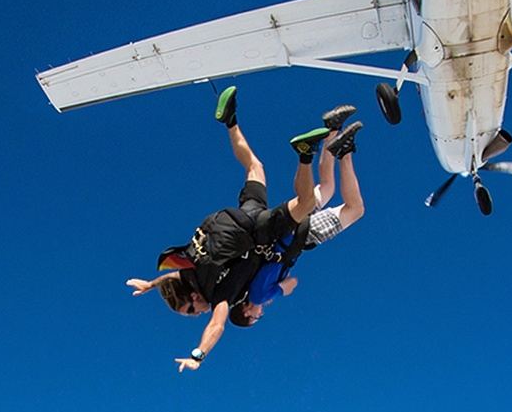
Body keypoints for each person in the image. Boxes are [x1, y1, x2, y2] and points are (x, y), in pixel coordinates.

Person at [123, 86, 361, 372]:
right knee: (255, 167)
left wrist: (198, 355)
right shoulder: (190, 268)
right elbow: (172, 276)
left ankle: (304, 154)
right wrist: (151, 284)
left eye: (191, 311)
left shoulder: (220, 294)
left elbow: (217, 325)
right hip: (242, 214)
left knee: (310, 202)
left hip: (261, 230)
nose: (197, 314)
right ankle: (232, 121)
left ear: (195, 298)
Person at [229, 114, 366, 327]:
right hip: (287, 224)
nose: (260, 312)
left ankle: (345, 152)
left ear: (246, 311)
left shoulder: (259, 296)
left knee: (355, 209)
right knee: (327, 187)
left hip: (300, 237)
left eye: (257, 316)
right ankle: (332, 131)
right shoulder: (247, 282)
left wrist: (276, 292)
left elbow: (292, 283)